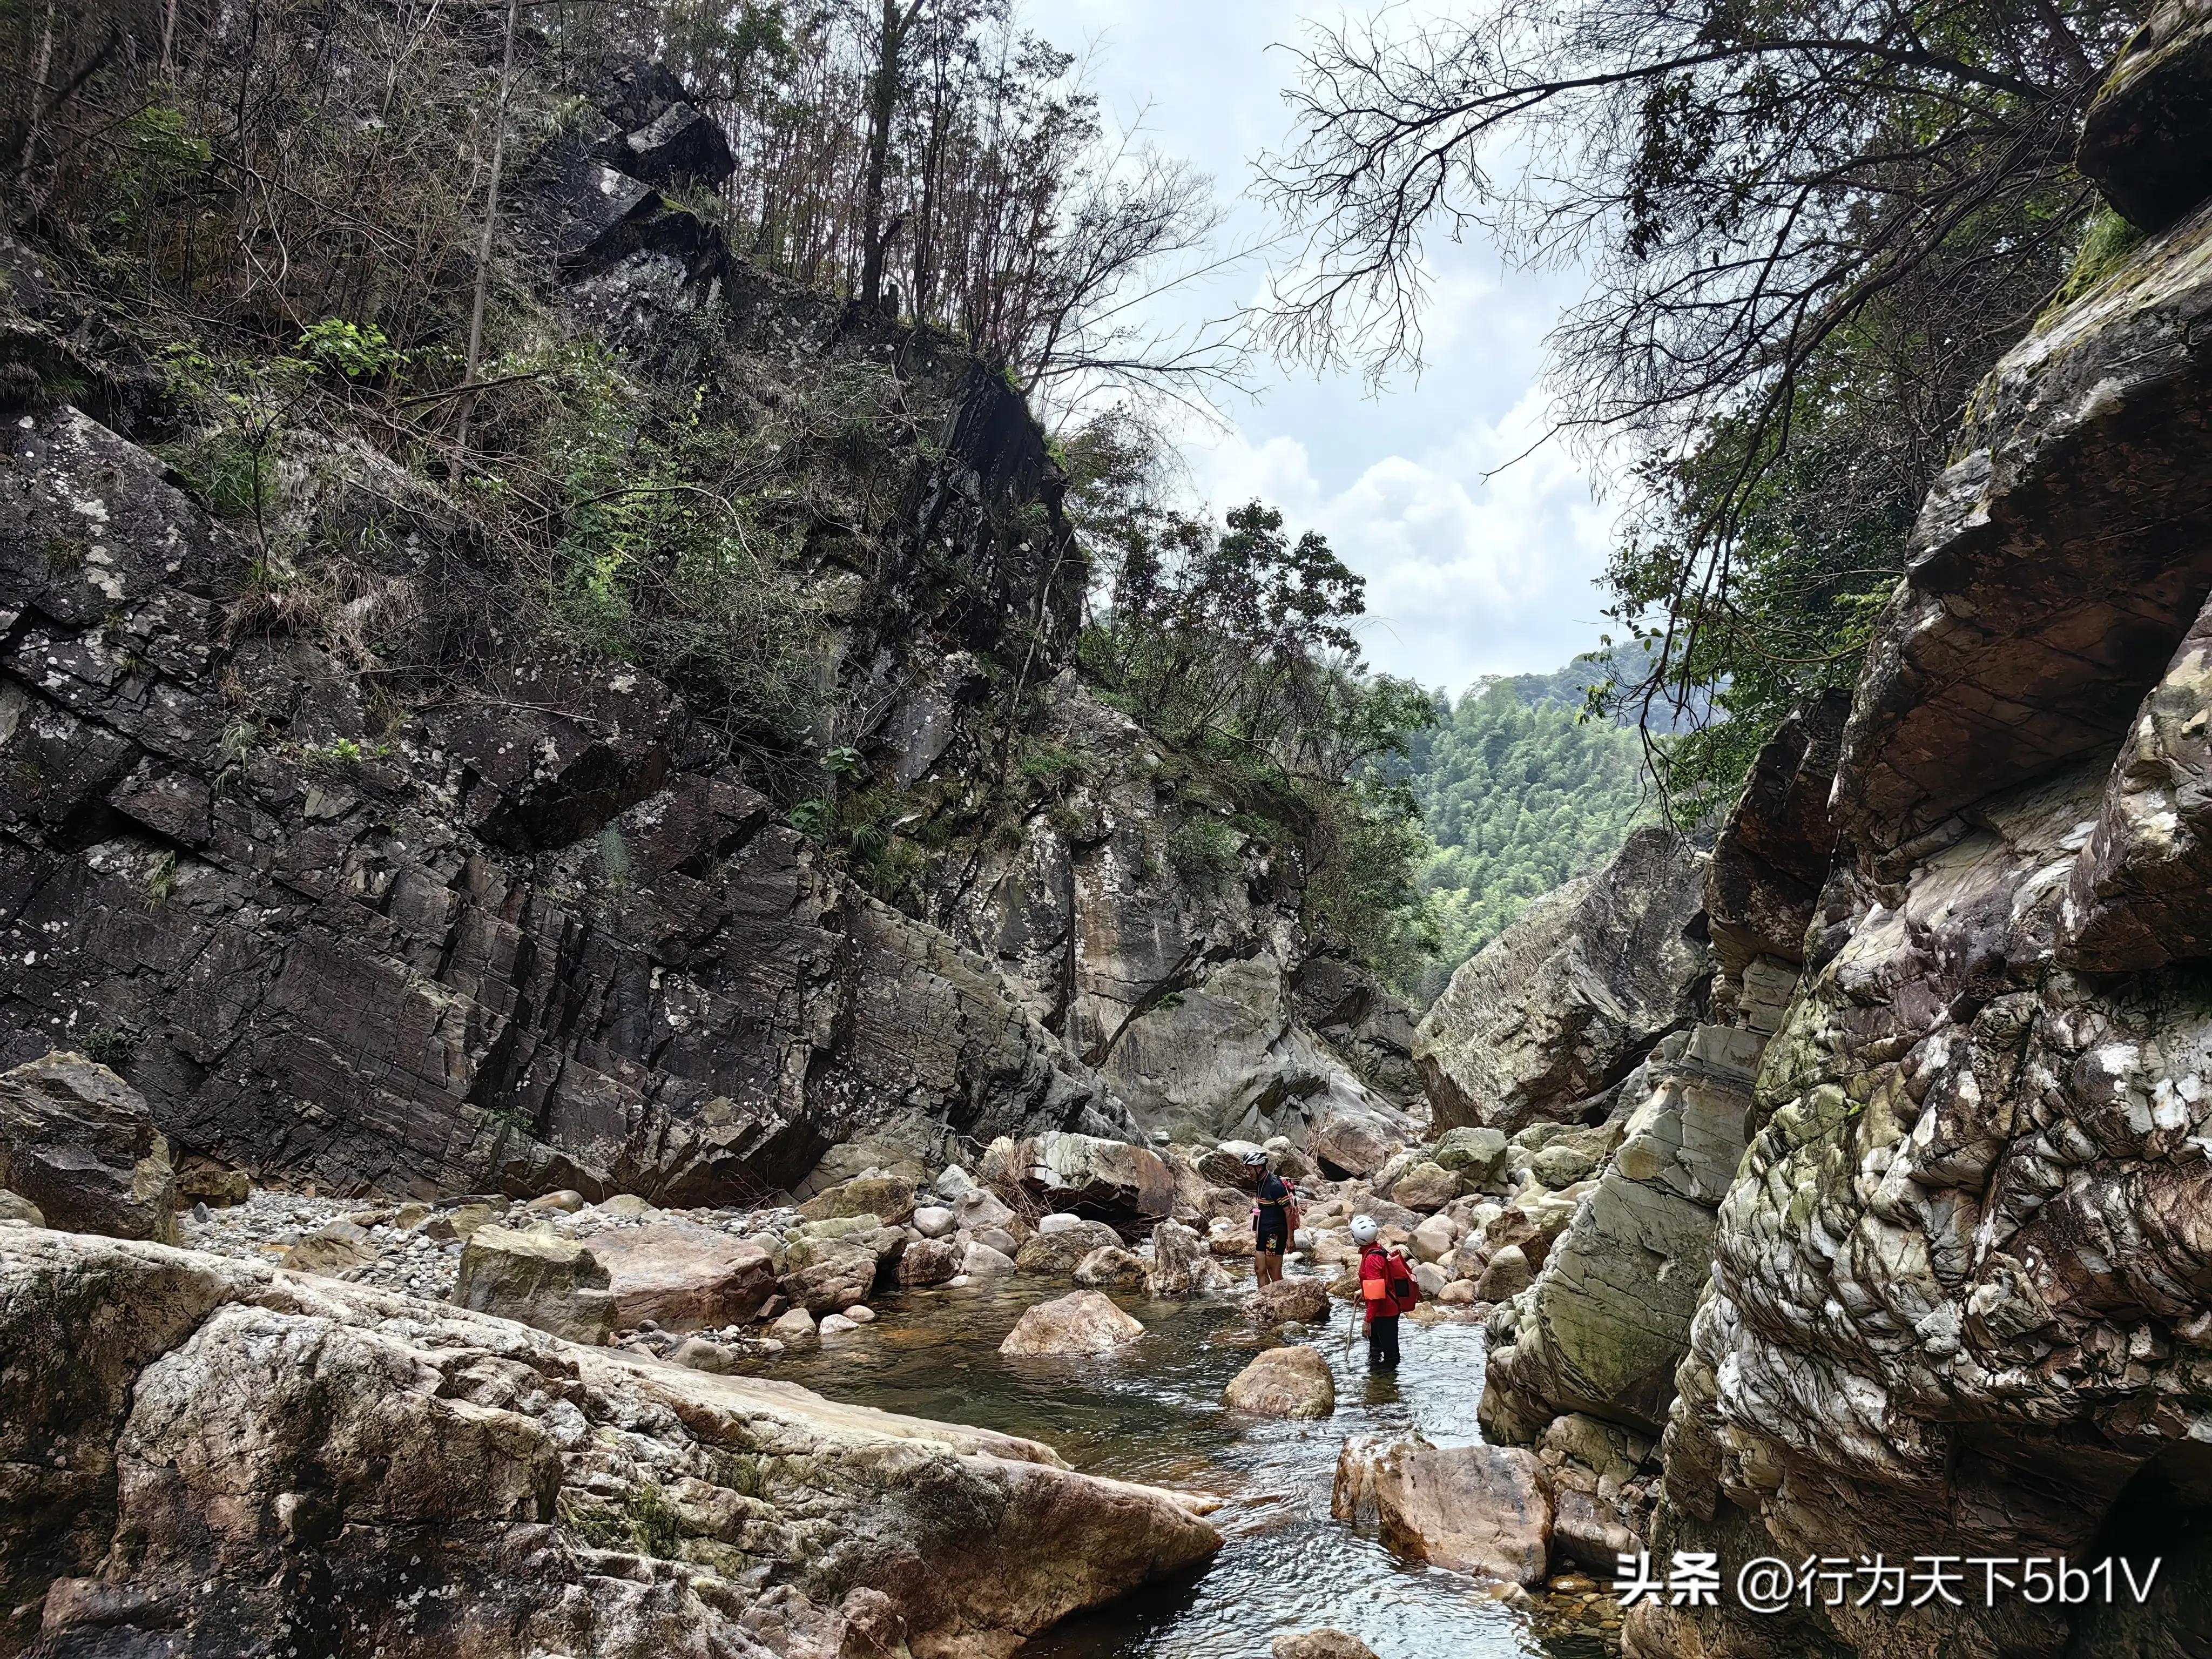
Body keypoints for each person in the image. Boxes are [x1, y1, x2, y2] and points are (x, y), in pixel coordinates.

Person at [1353, 1215, 1417, 1369]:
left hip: (1385, 1312)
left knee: (1391, 1356)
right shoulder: (1376, 1249)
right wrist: (1363, 1290)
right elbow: (1382, 1280)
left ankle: (1386, 1381)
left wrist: (1368, 1321)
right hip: (1384, 1309)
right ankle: (1377, 1378)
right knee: (1375, 1349)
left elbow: (1375, 1295)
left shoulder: (1371, 1258)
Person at [1249, 1149, 1299, 1286]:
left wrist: (1290, 1239)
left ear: (1259, 1167)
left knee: (1274, 1271)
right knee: (1259, 1269)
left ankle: (1280, 1298)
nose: (1248, 1173)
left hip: (1275, 1236)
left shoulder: (1275, 1185)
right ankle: (1263, 1297)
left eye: (1249, 1169)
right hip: (1263, 1233)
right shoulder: (1260, 1183)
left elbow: (1289, 1212)